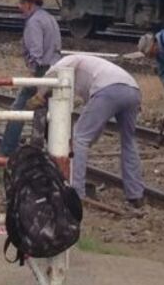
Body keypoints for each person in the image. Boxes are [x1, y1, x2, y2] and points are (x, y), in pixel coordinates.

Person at [27, 54, 145, 207]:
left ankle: (77, 193)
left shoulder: (65, 62)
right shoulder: (91, 73)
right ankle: (136, 194)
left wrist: (40, 94)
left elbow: (56, 72)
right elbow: (97, 123)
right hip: (133, 90)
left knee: (79, 138)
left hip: (108, 89)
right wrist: (88, 142)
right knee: (128, 141)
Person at [0, 0, 62, 155]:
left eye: (21, 3)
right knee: (49, 112)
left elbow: (36, 53)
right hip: (55, 68)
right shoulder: (49, 18)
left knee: (19, 109)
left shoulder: (34, 22)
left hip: (42, 71)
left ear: (29, 4)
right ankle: (56, 149)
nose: (18, 6)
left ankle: (8, 149)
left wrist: (34, 76)